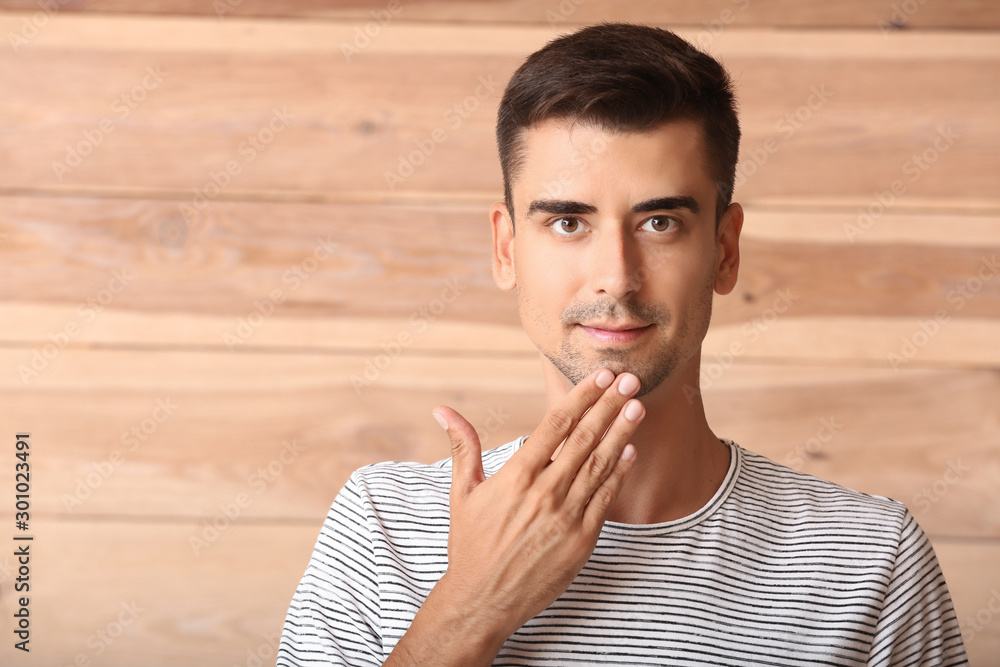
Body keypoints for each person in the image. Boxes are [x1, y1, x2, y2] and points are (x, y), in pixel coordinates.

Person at [277, 23, 968, 666]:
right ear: (506, 247)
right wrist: (473, 605)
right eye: (569, 222)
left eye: (660, 222)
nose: (617, 274)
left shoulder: (870, 559)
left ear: (725, 251)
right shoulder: (382, 528)